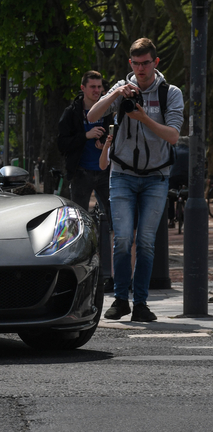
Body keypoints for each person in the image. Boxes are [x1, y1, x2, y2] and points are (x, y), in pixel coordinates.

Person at [88, 38, 184, 322]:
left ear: (155, 63)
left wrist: (144, 118)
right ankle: (120, 299)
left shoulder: (171, 93)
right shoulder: (121, 87)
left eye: (146, 63)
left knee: (145, 242)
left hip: (157, 176)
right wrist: (116, 93)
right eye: (136, 64)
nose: (141, 69)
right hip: (122, 175)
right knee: (122, 239)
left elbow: (173, 136)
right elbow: (92, 115)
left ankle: (140, 302)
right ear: (130, 64)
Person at [58, 70, 113, 220]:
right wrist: (85, 136)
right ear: (83, 88)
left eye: (99, 87)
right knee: (79, 218)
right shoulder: (71, 113)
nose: (97, 91)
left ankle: (109, 243)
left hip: (106, 173)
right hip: (81, 172)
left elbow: (116, 136)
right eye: (92, 87)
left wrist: (105, 145)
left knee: (113, 216)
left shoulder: (108, 110)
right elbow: (62, 144)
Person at [167, 137, 189, 227]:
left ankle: (171, 220)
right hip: (187, 176)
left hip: (173, 175)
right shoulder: (191, 151)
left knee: (170, 196)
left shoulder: (173, 150)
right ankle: (189, 217)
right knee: (191, 195)